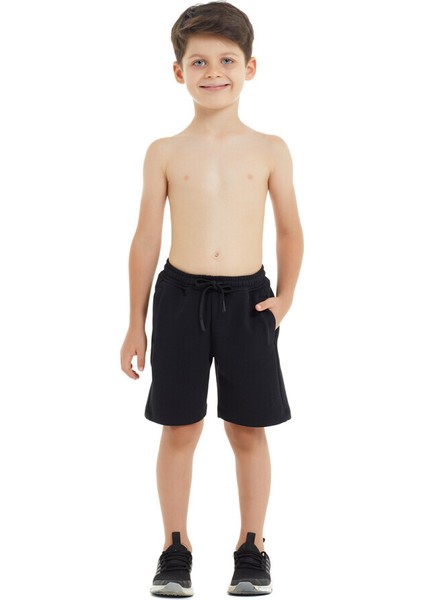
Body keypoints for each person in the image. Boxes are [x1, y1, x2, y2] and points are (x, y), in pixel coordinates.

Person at [120, 1, 303, 596]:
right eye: (198, 61)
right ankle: (175, 547)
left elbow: (289, 229)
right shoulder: (164, 151)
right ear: (179, 72)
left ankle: (252, 547)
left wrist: (285, 298)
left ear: (250, 67)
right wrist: (135, 322)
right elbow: (146, 239)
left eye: (226, 60)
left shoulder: (270, 148)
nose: (213, 72)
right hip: (179, 299)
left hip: (249, 302)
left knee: (248, 429)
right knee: (179, 428)